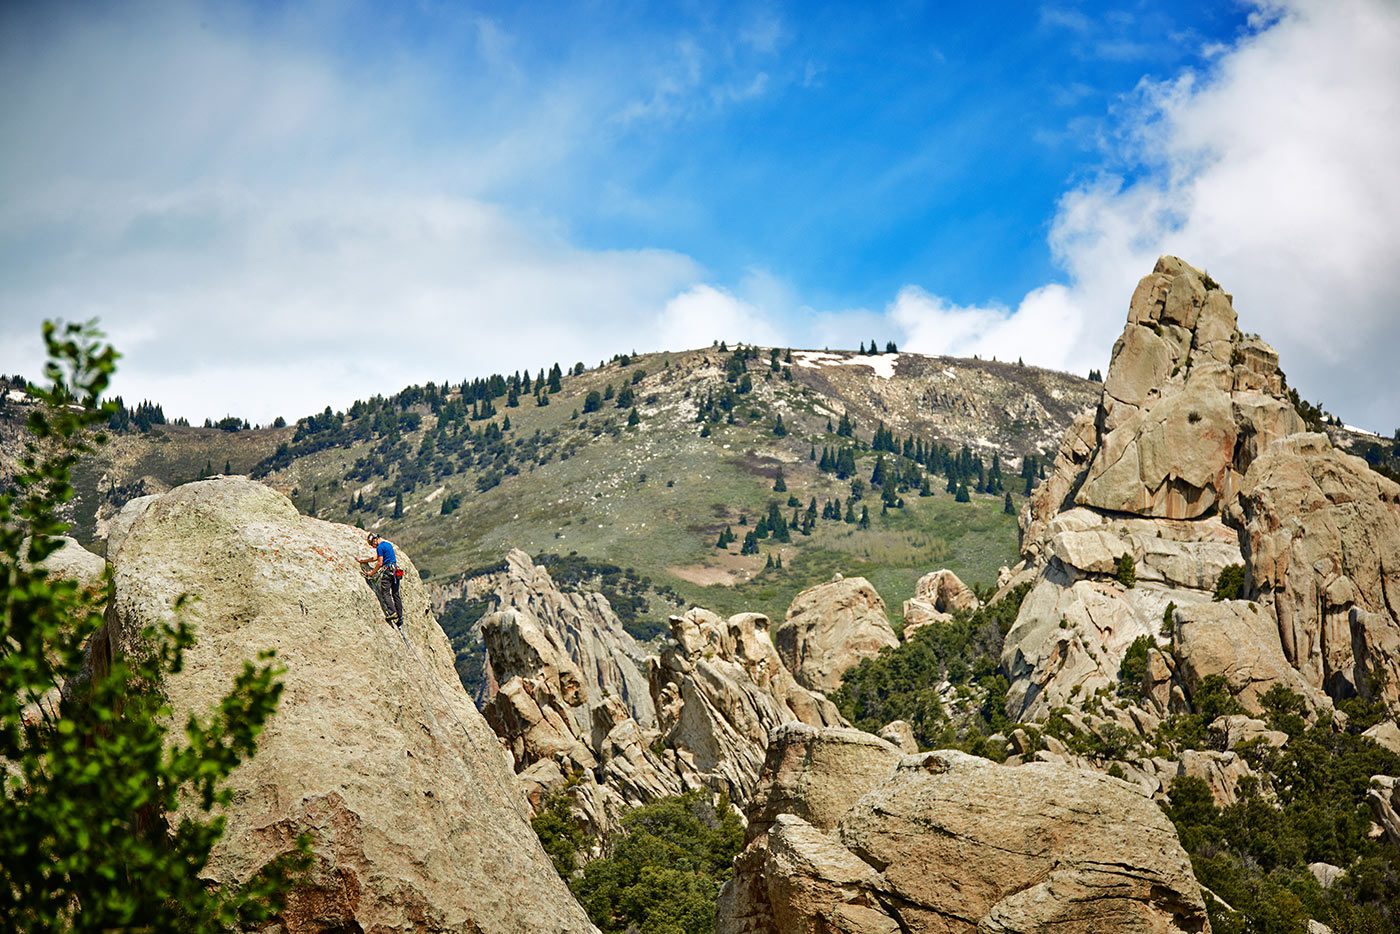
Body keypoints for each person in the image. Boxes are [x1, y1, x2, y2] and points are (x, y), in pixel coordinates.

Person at [358, 532, 404, 628]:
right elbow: (375, 558)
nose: (372, 546)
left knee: (385, 592)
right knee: (396, 594)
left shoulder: (379, 547)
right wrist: (363, 561)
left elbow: (379, 562)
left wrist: (371, 573)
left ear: (375, 540)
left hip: (387, 572)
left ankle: (392, 612)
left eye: (371, 544)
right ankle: (400, 618)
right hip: (395, 571)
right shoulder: (387, 545)